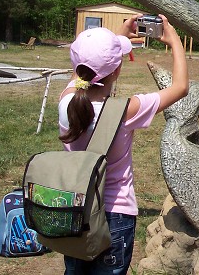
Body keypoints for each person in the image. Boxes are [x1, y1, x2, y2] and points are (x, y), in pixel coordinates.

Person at [58, 15, 189, 274]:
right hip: (115, 215)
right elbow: (181, 87)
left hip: (75, 210)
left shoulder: (66, 102)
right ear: (117, 70)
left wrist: (117, 38)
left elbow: (82, 74)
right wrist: (175, 42)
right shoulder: (127, 111)